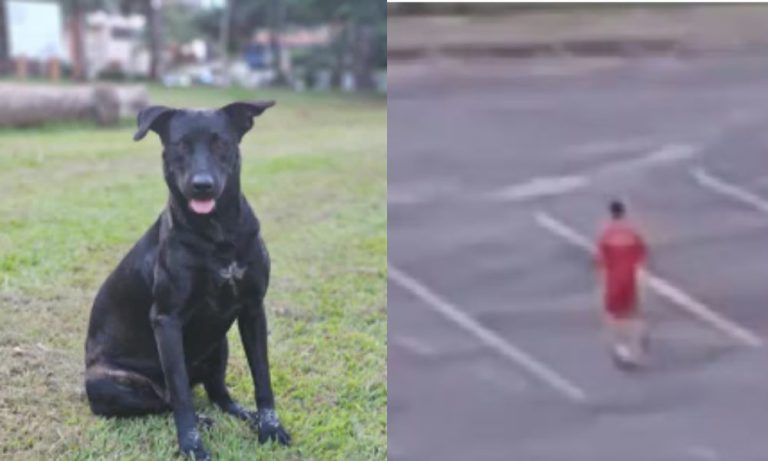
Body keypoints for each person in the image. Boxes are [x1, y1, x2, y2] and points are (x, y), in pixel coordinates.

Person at [595, 200, 649, 369]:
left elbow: (601, 261)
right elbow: (642, 254)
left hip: (614, 280)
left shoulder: (606, 234)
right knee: (633, 313)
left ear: (611, 213)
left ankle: (621, 348)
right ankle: (637, 346)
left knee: (614, 316)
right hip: (630, 278)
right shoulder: (632, 232)